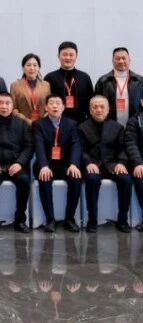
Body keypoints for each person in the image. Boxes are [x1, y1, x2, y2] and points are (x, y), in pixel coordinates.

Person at [0, 92, 33, 234]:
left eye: (7, 103)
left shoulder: (22, 124)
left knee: (24, 181)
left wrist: (19, 163)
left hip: (15, 164)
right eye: (0, 103)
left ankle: (20, 220)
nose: (4, 106)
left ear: (12, 106)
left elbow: (29, 146)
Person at [78, 95, 132, 233]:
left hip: (112, 164)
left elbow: (123, 149)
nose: (99, 110)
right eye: (95, 107)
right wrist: (88, 163)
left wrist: (121, 163)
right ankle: (92, 220)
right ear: (90, 110)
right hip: (93, 165)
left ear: (108, 110)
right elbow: (80, 150)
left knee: (125, 179)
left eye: (102, 107)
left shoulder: (117, 127)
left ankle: (123, 220)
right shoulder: (82, 127)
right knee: (92, 180)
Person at [32, 94, 82, 233]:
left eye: (58, 103)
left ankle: (69, 219)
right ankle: (50, 220)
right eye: (51, 103)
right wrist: (43, 165)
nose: (55, 106)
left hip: (65, 164)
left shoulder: (71, 124)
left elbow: (76, 144)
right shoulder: (38, 124)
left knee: (76, 178)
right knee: (44, 178)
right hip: (46, 163)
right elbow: (38, 146)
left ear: (63, 107)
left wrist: (73, 164)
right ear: (46, 107)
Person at [44, 41, 94, 124]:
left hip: (81, 122)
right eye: (64, 55)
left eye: (71, 55)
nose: (68, 58)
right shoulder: (50, 77)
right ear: (58, 56)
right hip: (57, 122)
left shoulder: (84, 77)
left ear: (76, 56)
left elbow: (91, 101)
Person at [94, 47, 143, 126]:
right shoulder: (103, 81)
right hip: (110, 126)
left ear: (129, 60)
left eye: (124, 58)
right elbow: (96, 105)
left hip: (135, 126)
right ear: (112, 61)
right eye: (117, 58)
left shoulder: (139, 81)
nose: (121, 61)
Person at [10, 53, 51, 125]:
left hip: (42, 124)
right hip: (22, 124)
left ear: (39, 67)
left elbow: (49, 105)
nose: (32, 68)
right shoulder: (15, 85)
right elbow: (13, 109)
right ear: (23, 68)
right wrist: (26, 120)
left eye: (35, 65)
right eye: (28, 65)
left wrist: (42, 120)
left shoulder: (46, 85)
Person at [123, 97, 143, 231]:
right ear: (142, 102)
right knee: (140, 176)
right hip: (140, 162)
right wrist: (138, 163)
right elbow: (130, 143)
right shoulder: (134, 121)